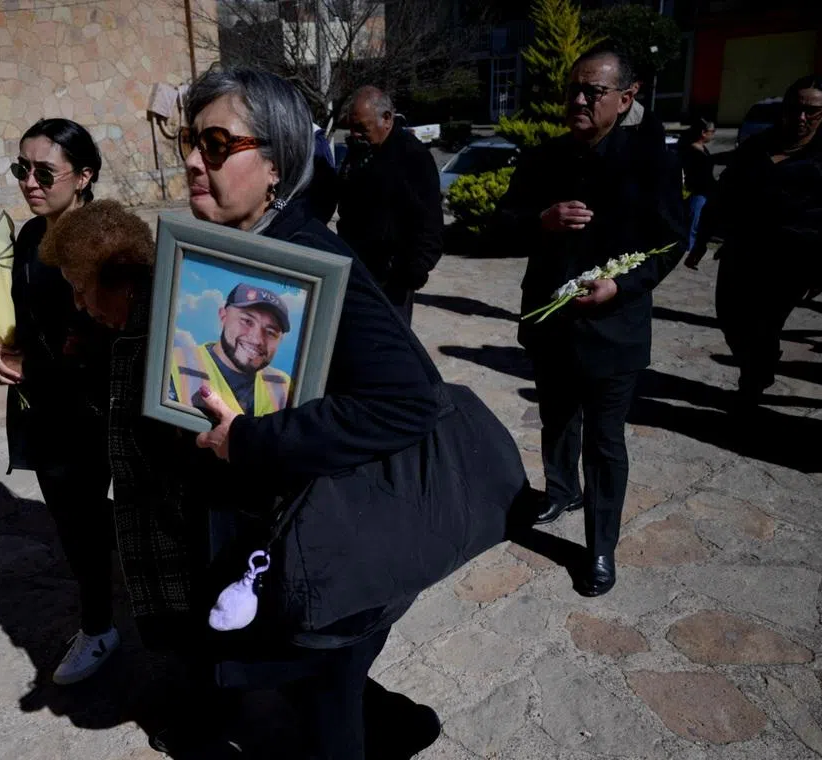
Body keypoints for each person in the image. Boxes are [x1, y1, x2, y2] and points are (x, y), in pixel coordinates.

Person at [43, 68, 528, 760]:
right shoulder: (234, 250)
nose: (190, 159)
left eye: (216, 143)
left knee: (328, 703)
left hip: (327, 549)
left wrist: (252, 440)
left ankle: (388, 729)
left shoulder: (310, 256)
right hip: (260, 542)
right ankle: (400, 726)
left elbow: (411, 399)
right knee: (314, 686)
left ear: (276, 164)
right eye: (189, 139)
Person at [492, 47, 686, 597]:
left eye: (593, 91)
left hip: (614, 331)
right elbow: (503, 227)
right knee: (556, 417)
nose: (578, 100)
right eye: (573, 89)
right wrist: (540, 220)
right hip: (549, 324)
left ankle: (600, 545)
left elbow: (672, 242)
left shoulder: (650, 163)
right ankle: (559, 490)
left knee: (604, 442)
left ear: (627, 98)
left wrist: (621, 285)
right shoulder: (542, 158)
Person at [0, 118, 120, 685]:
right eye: (21, 169)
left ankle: (118, 627)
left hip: (98, 412)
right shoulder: (31, 237)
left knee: (107, 525)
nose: (29, 182)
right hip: (48, 413)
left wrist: (44, 365)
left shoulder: (109, 242)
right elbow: (19, 325)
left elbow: (112, 340)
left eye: (43, 171)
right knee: (75, 525)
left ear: (83, 177)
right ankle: (101, 622)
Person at [693, 76, 822, 401]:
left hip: (793, 260)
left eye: (812, 111)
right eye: (795, 108)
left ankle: (753, 381)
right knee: (731, 319)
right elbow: (725, 191)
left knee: (764, 325)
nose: (802, 118)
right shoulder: (758, 145)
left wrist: (820, 270)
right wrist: (701, 239)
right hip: (742, 251)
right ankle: (759, 363)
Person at [335, 85, 444, 323]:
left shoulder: (412, 156)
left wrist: (412, 271)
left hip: (392, 280)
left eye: (361, 127)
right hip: (356, 268)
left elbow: (430, 224)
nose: (354, 134)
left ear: (387, 119)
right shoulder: (359, 152)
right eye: (351, 127)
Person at [168, 282, 292, 416]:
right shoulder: (173, 363)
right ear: (223, 316)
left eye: (270, 332)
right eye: (247, 321)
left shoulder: (284, 386)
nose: (257, 340)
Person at [677, 116, 717, 266]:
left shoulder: (703, 149)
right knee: (693, 222)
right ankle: (688, 250)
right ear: (703, 132)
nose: (713, 134)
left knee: (698, 222)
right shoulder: (693, 151)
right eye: (711, 131)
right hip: (697, 191)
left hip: (705, 191)